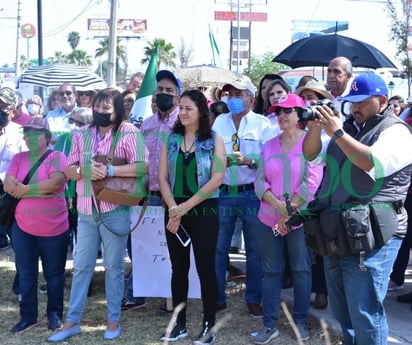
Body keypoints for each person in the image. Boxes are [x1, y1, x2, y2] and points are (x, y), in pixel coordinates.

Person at [302, 72, 412, 345]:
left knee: (365, 312)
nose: (355, 107)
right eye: (352, 102)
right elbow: (310, 155)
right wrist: (317, 128)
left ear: (383, 100)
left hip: (375, 234)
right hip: (339, 230)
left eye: (362, 101)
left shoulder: (396, 131)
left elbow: (370, 163)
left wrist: (337, 132)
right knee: (343, 312)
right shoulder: (349, 127)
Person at [48, 88, 148, 342]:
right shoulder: (82, 135)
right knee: (81, 267)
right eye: (98, 107)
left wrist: (111, 170)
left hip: (115, 209)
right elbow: (68, 170)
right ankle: (72, 322)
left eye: (107, 108)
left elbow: (142, 166)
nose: (101, 112)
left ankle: (113, 321)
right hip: (85, 211)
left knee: (114, 267)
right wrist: (85, 170)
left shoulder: (130, 133)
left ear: (117, 110)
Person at [252, 94, 323, 344]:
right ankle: (269, 325)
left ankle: (300, 322)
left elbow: (312, 182)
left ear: (300, 114)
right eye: (278, 111)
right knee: (271, 271)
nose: (281, 115)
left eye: (287, 111)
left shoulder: (311, 143)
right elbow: (260, 180)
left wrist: (289, 210)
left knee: (301, 270)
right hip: (270, 220)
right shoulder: (269, 144)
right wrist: (277, 206)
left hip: (298, 222)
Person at [158, 89, 226, 344]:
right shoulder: (171, 139)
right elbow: (162, 178)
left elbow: (216, 179)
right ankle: (180, 324)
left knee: (206, 268)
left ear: (201, 112)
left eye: (189, 108)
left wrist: (185, 206)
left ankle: (209, 325)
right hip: (175, 211)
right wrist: (173, 207)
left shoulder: (214, 140)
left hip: (203, 211)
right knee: (179, 269)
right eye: (181, 108)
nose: (183, 113)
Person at [212, 77, 273, 318]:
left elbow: (270, 159)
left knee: (255, 250)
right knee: (218, 249)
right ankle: (217, 297)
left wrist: (250, 160)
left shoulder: (262, 124)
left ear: (251, 98)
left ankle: (254, 298)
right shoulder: (219, 121)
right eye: (230, 94)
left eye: (239, 94)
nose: (233, 99)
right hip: (225, 192)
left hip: (252, 193)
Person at [121, 70, 181, 312]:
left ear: (178, 96)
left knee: (170, 250)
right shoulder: (146, 124)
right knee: (138, 246)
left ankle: (171, 299)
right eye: (160, 90)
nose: (164, 94)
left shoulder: (183, 123)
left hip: (171, 198)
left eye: (169, 91)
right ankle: (140, 294)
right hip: (145, 196)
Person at [4, 117, 69, 333]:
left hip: (54, 226)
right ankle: (28, 316)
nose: (30, 137)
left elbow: (56, 183)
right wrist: (36, 189)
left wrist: (24, 190)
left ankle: (54, 315)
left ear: (47, 137)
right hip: (22, 226)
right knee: (26, 273)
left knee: (54, 274)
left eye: (36, 133)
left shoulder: (58, 157)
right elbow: (8, 184)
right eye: (27, 133)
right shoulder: (18, 158)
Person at [295, 80, 334, 309]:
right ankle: (306, 289)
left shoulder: (330, 128)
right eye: (306, 97)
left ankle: (322, 291)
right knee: (306, 243)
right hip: (299, 191)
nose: (309, 102)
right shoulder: (296, 125)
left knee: (322, 243)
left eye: (314, 97)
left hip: (324, 191)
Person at [0, 87, 27, 251]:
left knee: (19, 243)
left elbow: (24, 164)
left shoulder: (20, 133)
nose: (0, 110)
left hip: (10, 195)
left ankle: (22, 275)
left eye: (4, 107)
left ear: (13, 111)